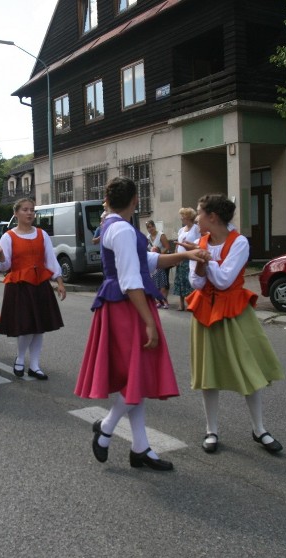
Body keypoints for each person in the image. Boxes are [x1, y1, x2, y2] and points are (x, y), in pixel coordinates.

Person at [75, 177, 207, 471]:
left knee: (135, 377)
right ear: (135, 200)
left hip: (123, 306)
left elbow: (146, 260)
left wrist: (185, 254)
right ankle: (106, 428)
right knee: (137, 376)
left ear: (108, 201)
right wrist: (149, 321)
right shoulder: (121, 229)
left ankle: (140, 447)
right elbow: (130, 280)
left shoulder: (112, 225)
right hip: (127, 307)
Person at [187, 194, 285, 455]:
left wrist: (204, 259)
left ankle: (259, 429)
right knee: (208, 375)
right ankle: (212, 430)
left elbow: (224, 281)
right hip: (206, 311)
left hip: (234, 311)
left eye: (199, 212)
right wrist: (200, 260)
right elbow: (196, 284)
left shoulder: (239, 242)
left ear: (213, 217)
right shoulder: (198, 242)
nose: (197, 217)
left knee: (249, 371)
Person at [0, 197, 66, 381]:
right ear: (16, 213)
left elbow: (51, 260)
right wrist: (1, 255)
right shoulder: (8, 236)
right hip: (20, 286)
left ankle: (34, 365)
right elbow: (4, 266)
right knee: (26, 327)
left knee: (38, 327)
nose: (29, 213)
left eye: (32, 210)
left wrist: (59, 282)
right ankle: (20, 358)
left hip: (39, 284)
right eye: (25, 210)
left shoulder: (42, 234)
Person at [172, 207, 200, 311]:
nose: (181, 219)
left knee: (190, 281)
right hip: (180, 258)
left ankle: (192, 303)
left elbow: (199, 241)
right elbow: (177, 246)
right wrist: (175, 257)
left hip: (191, 258)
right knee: (180, 280)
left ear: (188, 217)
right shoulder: (181, 230)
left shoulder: (196, 228)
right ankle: (181, 303)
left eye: (182, 217)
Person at [145, 220, 170, 309]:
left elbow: (167, 247)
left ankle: (165, 300)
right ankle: (159, 301)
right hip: (154, 264)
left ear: (154, 226)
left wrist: (159, 256)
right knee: (156, 283)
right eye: (148, 227)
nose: (150, 228)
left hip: (162, 261)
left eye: (151, 226)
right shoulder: (148, 237)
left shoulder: (161, 235)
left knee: (163, 283)